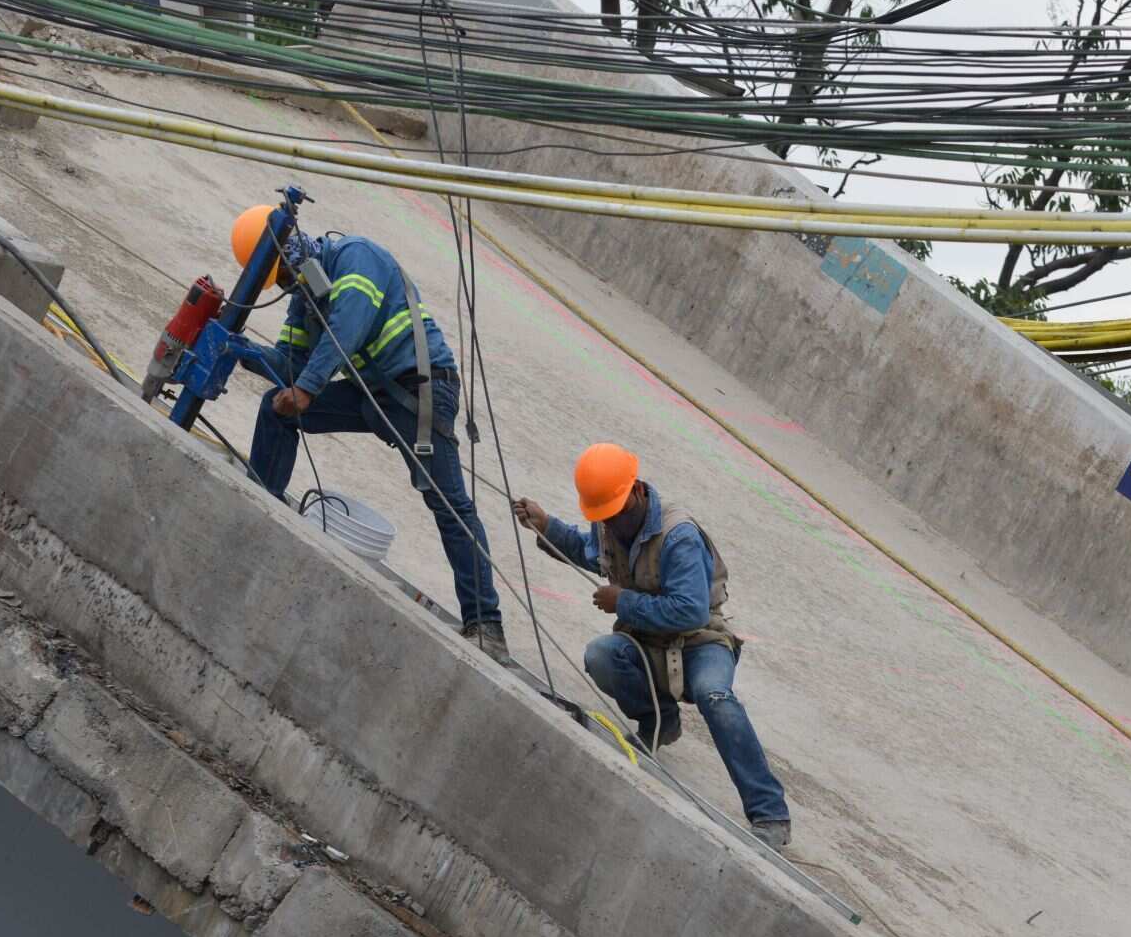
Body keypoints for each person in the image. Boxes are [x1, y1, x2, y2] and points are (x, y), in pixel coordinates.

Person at [231, 205, 508, 660]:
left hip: (421, 392)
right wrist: (237, 347)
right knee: (277, 410)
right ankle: (262, 508)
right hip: (373, 396)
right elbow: (291, 368)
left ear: (293, 250)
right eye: (279, 283)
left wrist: (306, 387)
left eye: (283, 275)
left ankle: (487, 625)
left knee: (449, 504)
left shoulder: (355, 257)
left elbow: (349, 326)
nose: (286, 287)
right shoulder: (305, 300)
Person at [512, 443, 794, 850]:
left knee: (715, 696)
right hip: (647, 642)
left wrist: (622, 601)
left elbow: (691, 611)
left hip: (701, 642)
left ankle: (770, 813)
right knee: (602, 656)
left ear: (638, 491)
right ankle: (661, 718)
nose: (611, 522)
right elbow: (591, 553)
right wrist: (547, 526)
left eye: (616, 511)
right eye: (604, 515)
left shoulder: (679, 536)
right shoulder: (608, 521)